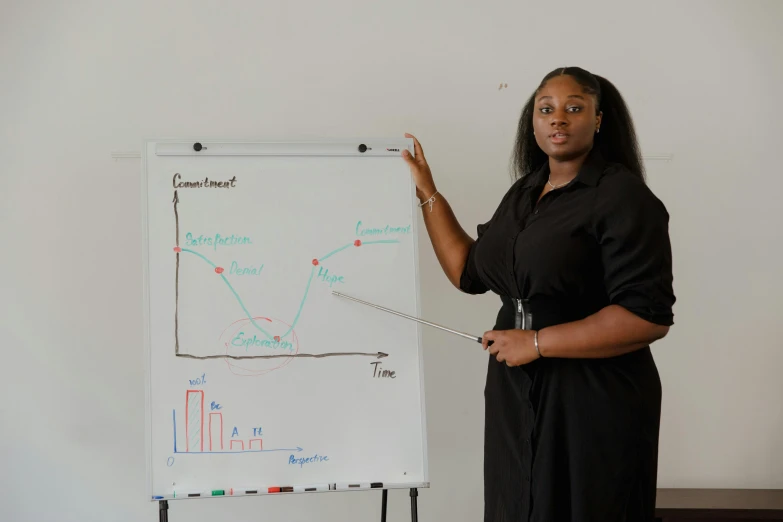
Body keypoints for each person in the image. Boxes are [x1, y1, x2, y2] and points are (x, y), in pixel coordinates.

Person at [402, 66, 675, 522]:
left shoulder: (623, 197)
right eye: (546, 109)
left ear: (599, 119)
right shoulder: (524, 192)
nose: (558, 119)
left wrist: (535, 343)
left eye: (574, 108)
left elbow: (646, 317)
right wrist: (428, 192)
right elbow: (468, 271)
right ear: (532, 122)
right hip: (515, 392)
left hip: (593, 397)